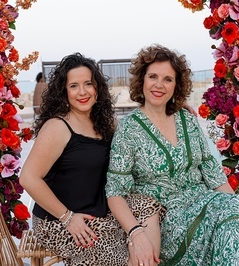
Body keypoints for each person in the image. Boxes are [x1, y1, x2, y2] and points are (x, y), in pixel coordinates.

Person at [105, 44, 239, 265]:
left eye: (168, 79)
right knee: (232, 210)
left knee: (237, 205)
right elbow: (115, 193)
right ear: (142, 81)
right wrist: (136, 233)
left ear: (176, 85)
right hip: (166, 222)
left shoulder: (187, 120)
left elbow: (211, 171)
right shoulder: (129, 128)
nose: (159, 85)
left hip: (203, 205)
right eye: (153, 77)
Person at [19, 53, 165, 265]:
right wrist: (68, 218)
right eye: (74, 86)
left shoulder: (105, 122)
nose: (83, 92)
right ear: (63, 91)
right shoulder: (57, 127)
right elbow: (28, 179)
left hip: (100, 209)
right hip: (60, 220)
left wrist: (170, 112)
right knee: (120, 256)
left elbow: (137, 134)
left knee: (148, 206)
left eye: (88, 83)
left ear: (97, 88)